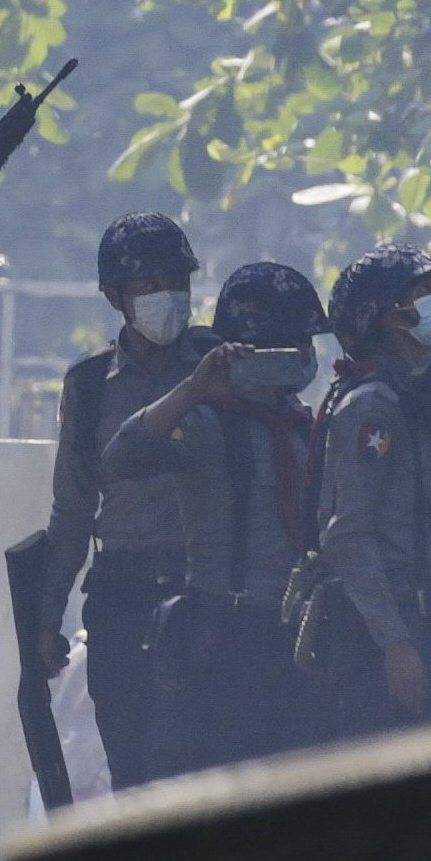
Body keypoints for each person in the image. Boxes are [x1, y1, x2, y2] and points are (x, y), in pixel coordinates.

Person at [101, 263, 331, 774]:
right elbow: (121, 458)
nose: (304, 356)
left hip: (294, 636)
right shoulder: (205, 425)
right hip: (225, 636)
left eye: (307, 344)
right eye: (290, 345)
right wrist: (195, 387)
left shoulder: (304, 427)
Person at [38, 212, 216, 789]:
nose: (169, 296)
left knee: (203, 772)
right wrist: (46, 620)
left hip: (207, 590)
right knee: (134, 771)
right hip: (124, 595)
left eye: (178, 282)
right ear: (116, 297)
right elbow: (72, 511)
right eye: (150, 285)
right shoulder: (91, 385)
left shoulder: (219, 366)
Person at [314, 244, 431, 738]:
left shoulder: (421, 395)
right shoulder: (374, 408)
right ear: (391, 317)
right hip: (390, 625)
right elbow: (348, 536)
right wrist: (396, 645)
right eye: (426, 291)